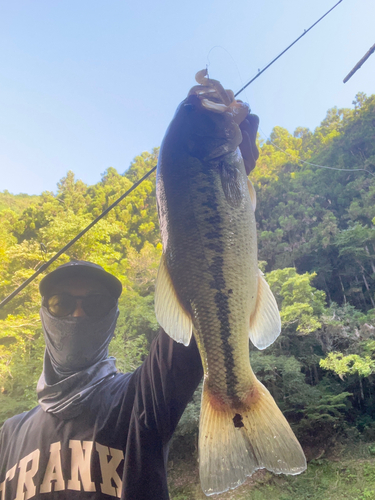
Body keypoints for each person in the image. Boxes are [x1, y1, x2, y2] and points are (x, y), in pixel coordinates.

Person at [0, 260, 203, 500]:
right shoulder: (8, 436)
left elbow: (199, 302)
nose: (77, 315)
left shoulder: (143, 399)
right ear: (45, 315)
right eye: (61, 303)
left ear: (112, 318)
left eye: (96, 304)